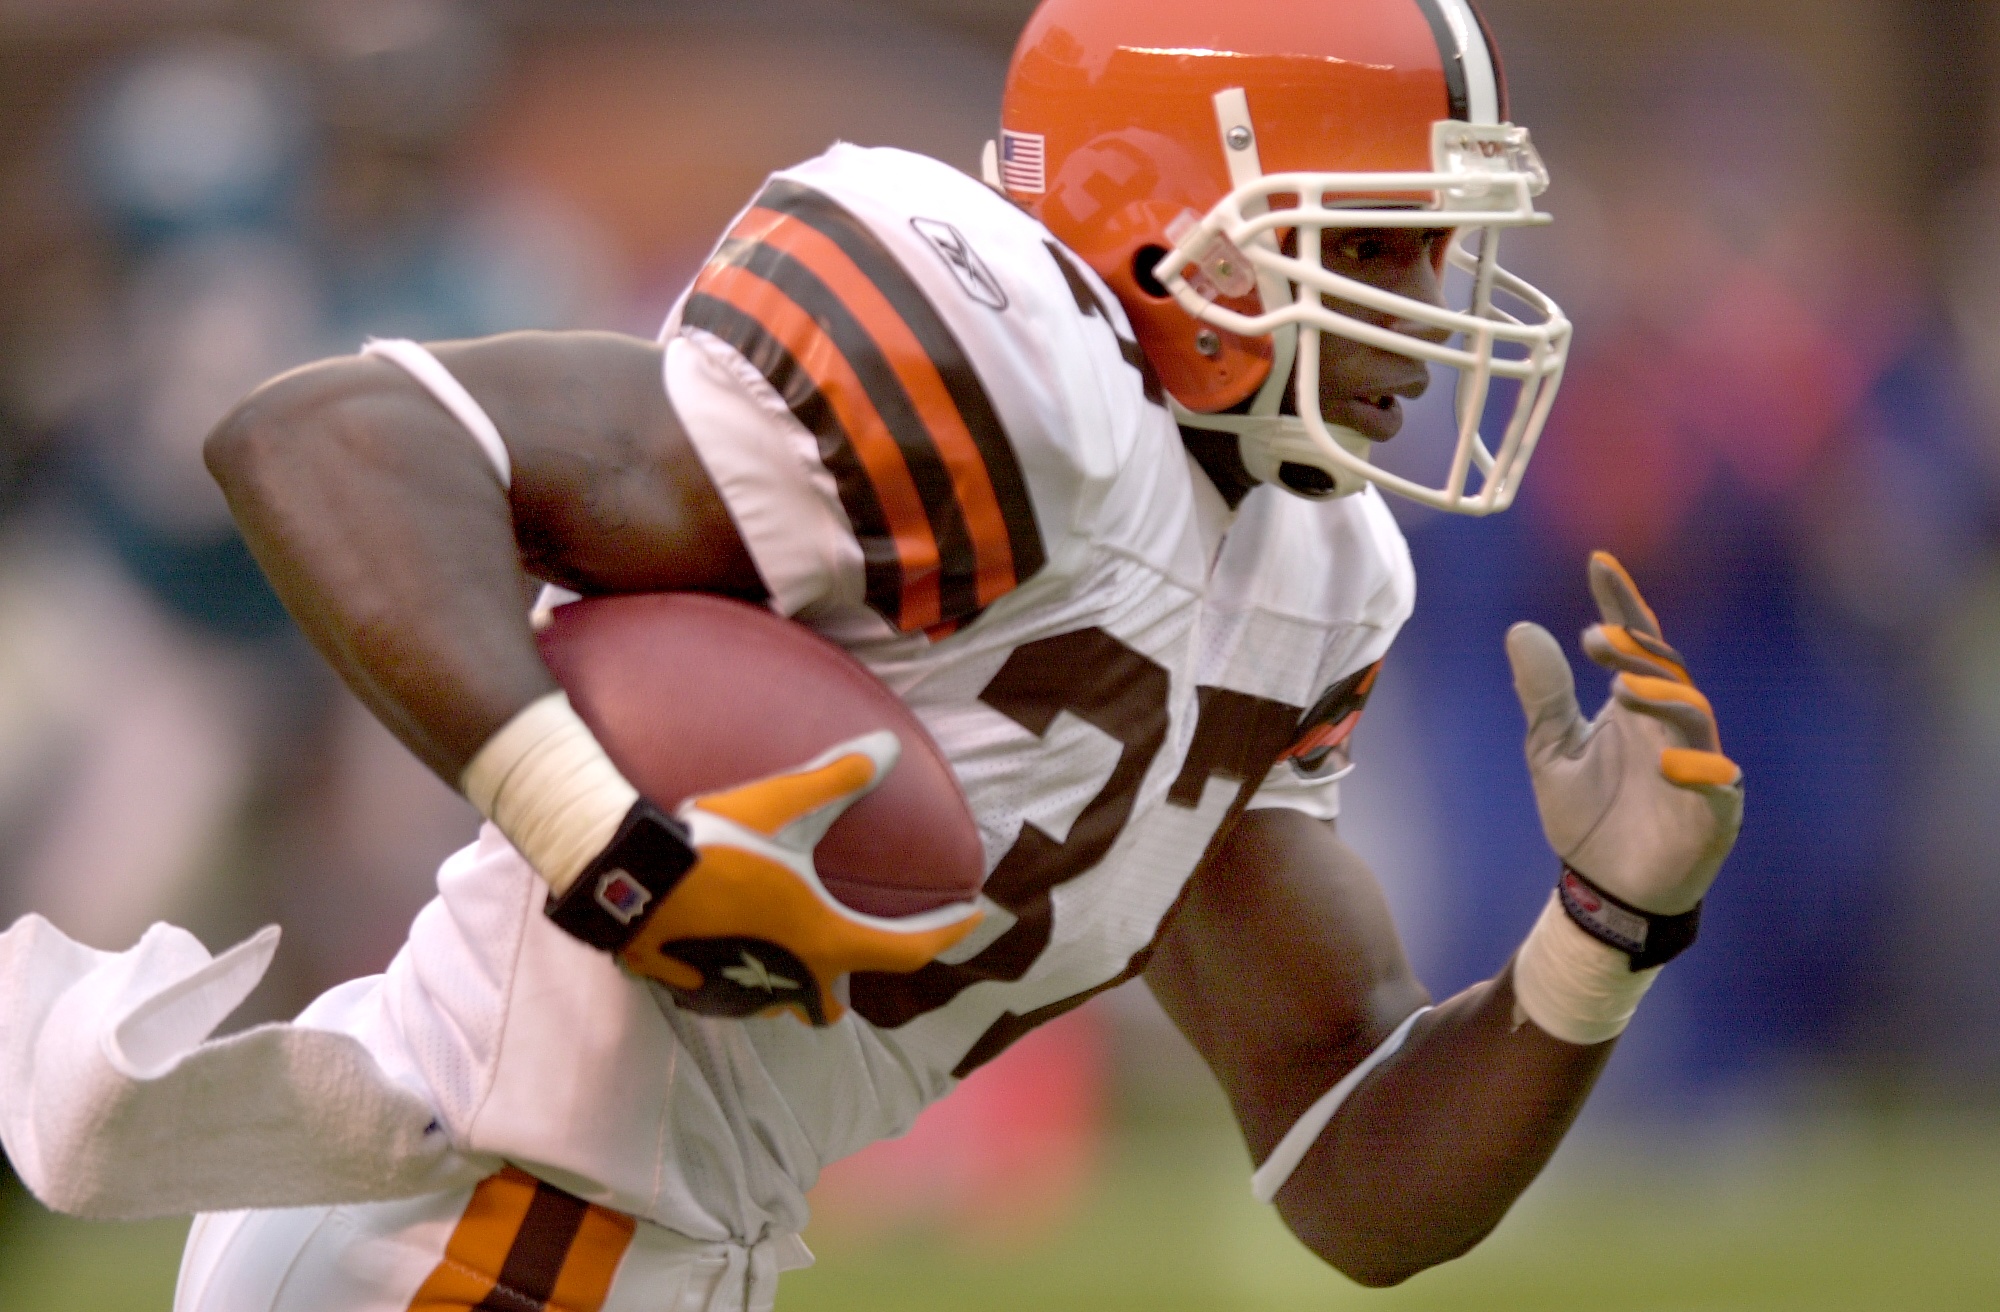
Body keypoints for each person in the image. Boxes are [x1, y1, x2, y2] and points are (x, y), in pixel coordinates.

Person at [0, 1, 1742, 1309]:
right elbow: (326, 441)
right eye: (1368, 241)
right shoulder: (1000, 375)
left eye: (1440, 242)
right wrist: (597, 833)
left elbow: (1353, 1171)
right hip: (469, 1227)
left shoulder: (1314, 578)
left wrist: (1602, 934)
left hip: (664, 1253)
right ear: (1166, 218)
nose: (1428, 303)